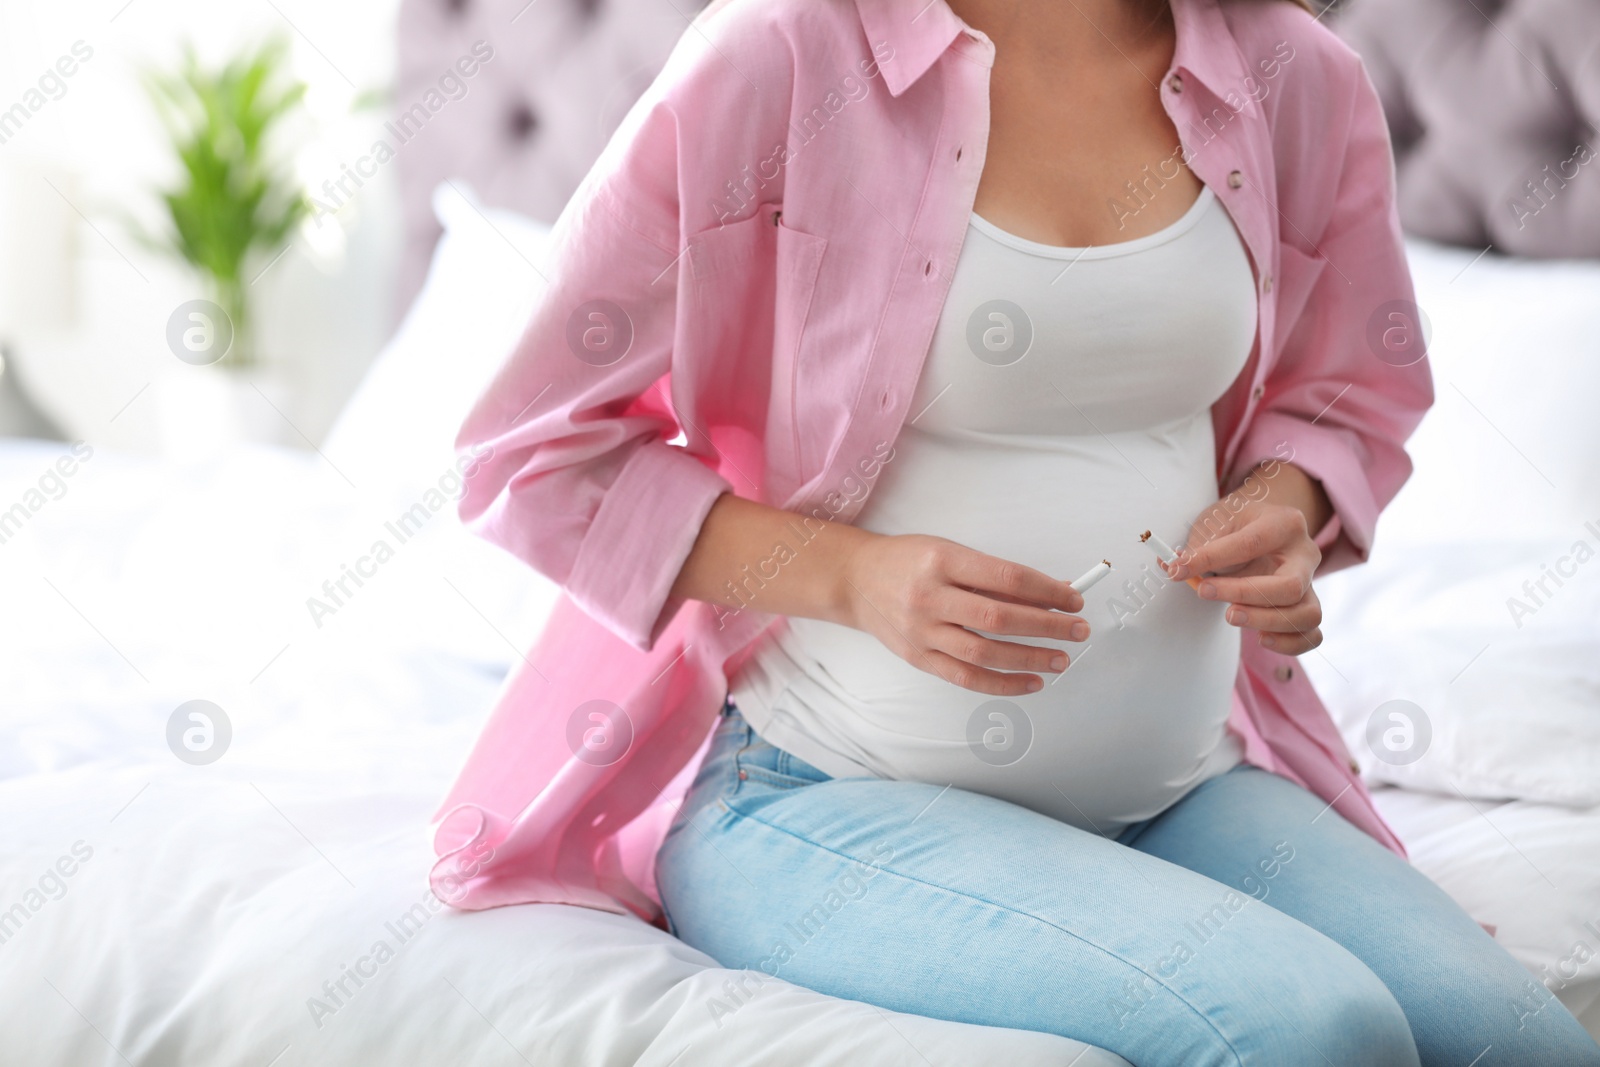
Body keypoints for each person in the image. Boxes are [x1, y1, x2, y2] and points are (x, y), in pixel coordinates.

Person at [436, 0, 1600, 1063]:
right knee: (1308, 1027)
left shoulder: (1292, 73)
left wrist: (1285, 506)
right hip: (822, 796)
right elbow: (531, 448)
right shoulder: (780, 59)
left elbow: (1352, 385)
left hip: (1183, 785)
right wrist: (855, 577)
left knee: (1516, 1042)